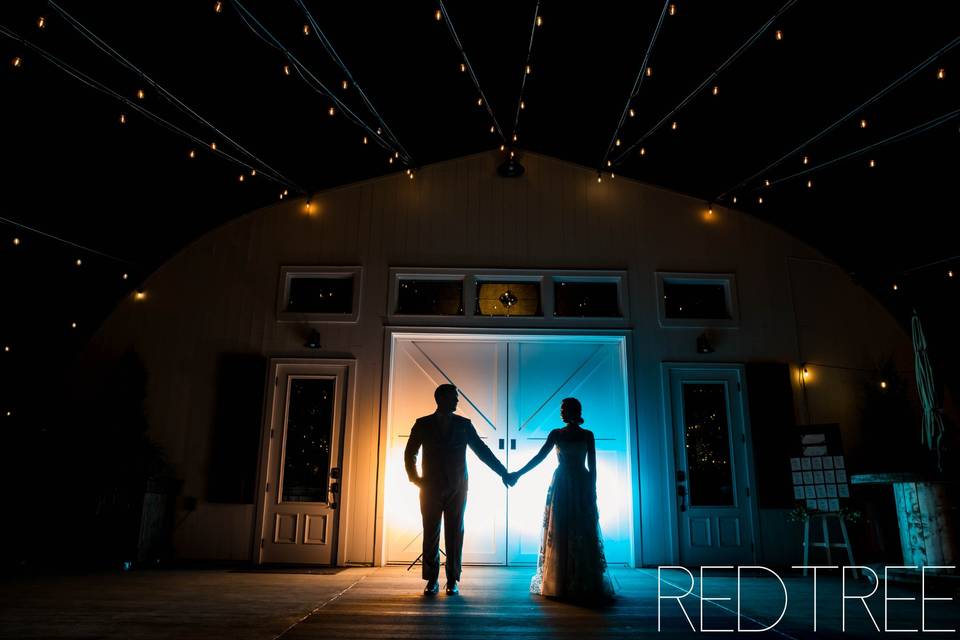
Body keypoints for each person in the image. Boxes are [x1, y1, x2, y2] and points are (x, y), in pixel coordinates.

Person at [404, 383, 511, 595]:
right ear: (441, 398)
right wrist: (416, 479)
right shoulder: (422, 424)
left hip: (458, 488)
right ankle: (432, 580)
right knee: (430, 533)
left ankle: (452, 580)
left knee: (455, 533)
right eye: (454, 397)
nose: (457, 401)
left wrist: (503, 473)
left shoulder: (464, 425)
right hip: (430, 488)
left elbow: (483, 452)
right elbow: (410, 453)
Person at [506, 397, 616, 601]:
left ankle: (582, 579)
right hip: (562, 483)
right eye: (561, 409)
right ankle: (560, 580)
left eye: (564, 409)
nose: (561, 412)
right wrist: (518, 473)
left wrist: (592, 489)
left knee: (583, 527)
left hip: (580, 482)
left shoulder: (587, 435)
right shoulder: (556, 434)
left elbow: (593, 466)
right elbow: (539, 457)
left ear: (574, 411)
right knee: (560, 526)